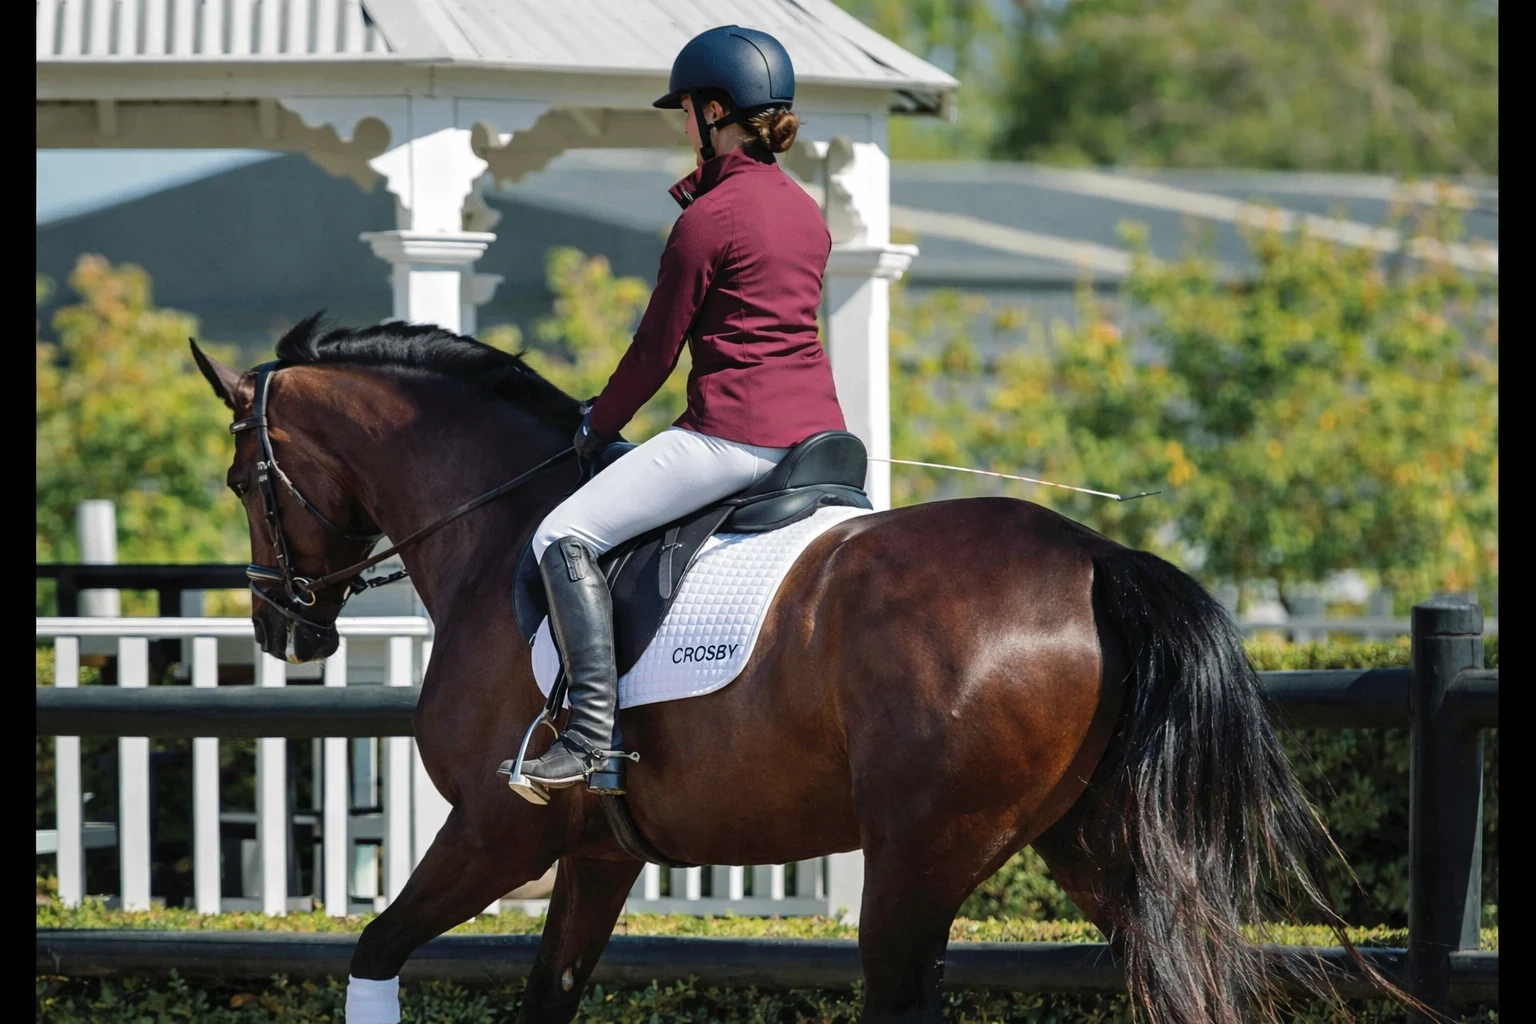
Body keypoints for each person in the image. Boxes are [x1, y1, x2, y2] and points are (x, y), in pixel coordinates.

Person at [515, 25, 847, 797]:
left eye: (687, 108)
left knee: (562, 532)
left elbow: (655, 353)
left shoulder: (709, 218)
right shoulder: (805, 210)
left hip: (733, 436)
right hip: (821, 436)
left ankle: (590, 733)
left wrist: (597, 427)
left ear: (714, 110)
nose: (681, 123)